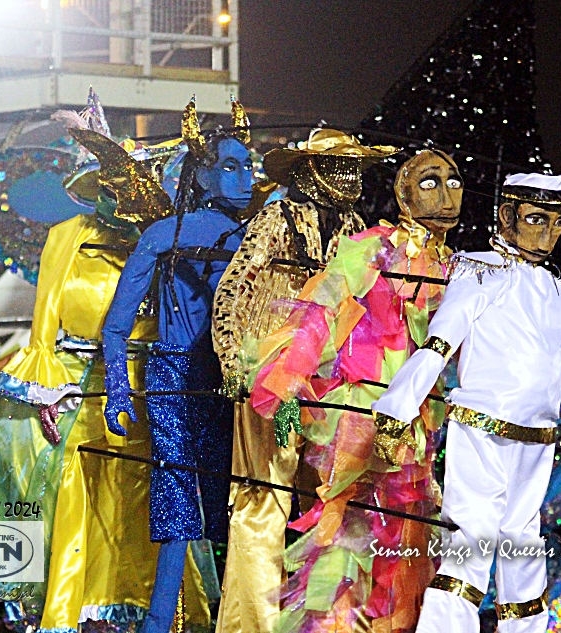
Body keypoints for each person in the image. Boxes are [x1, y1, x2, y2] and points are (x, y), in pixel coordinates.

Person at [373, 173, 561, 633]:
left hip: (536, 442)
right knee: (470, 547)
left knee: (523, 550)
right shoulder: (477, 270)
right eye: (535, 219)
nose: (547, 234)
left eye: (556, 223)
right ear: (507, 217)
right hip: (480, 434)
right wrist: (397, 409)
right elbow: (440, 342)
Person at [0, 98, 211, 631]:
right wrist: (48, 389)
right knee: (78, 499)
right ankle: (70, 611)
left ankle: (134, 612)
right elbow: (46, 324)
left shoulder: (166, 241)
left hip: (149, 391)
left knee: (140, 502)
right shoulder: (69, 236)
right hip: (81, 390)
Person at [242, 150, 462, 633]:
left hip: (418, 424)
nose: (447, 194)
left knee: (406, 533)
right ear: (403, 194)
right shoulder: (374, 247)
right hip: (361, 411)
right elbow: (320, 312)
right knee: (347, 535)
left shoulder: (458, 269)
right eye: (429, 182)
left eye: (454, 180)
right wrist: (288, 383)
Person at [211, 129, 398, 633]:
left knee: (334, 504)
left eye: (355, 168)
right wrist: (234, 364)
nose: (350, 178)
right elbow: (234, 288)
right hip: (272, 380)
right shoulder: (279, 217)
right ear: (308, 170)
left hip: (332, 387)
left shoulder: (358, 227)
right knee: (263, 500)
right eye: (338, 166)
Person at [101, 97, 253, 633]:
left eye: (249, 165)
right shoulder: (164, 236)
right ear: (203, 175)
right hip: (173, 379)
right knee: (179, 506)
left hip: (233, 383)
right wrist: (118, 391)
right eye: (230, 166)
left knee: (237, 509)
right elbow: (115, 326)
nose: (245, 177)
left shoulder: (258, 241)